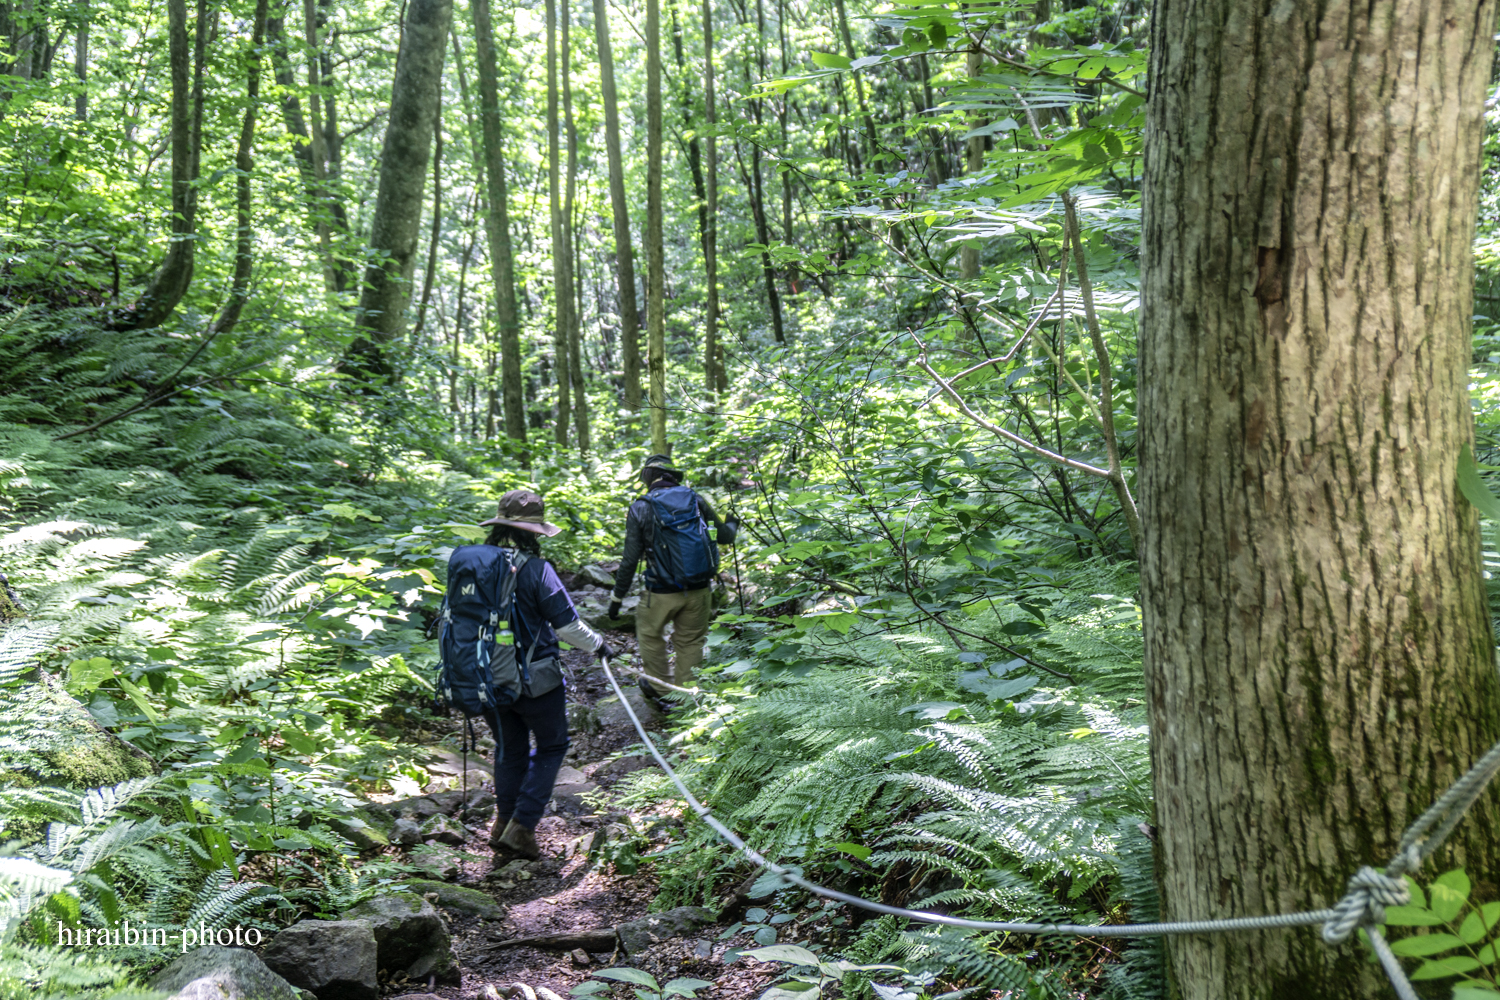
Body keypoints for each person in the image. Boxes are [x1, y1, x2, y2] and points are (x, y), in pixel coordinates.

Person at [477, 489, 617, 860]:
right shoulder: (538, 570)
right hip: (534, 680)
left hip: (487, 676)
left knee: (509, 750)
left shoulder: (476, 566)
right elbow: (567, 627)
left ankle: (501, 823)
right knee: (553, 745)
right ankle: (522, 827)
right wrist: (600, 644)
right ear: (535, 530)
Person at [607, 455, 737, 702]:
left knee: (650, 635)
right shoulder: (695, 500)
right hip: (700, 589)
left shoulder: (641, 507)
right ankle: (687, 699)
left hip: (660, 592)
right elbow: (724, 537)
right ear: (674, 477)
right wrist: (731, 522)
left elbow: (630, 559)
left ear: (647, 478)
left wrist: (617, 597)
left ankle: (662, 692)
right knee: (690, 641)